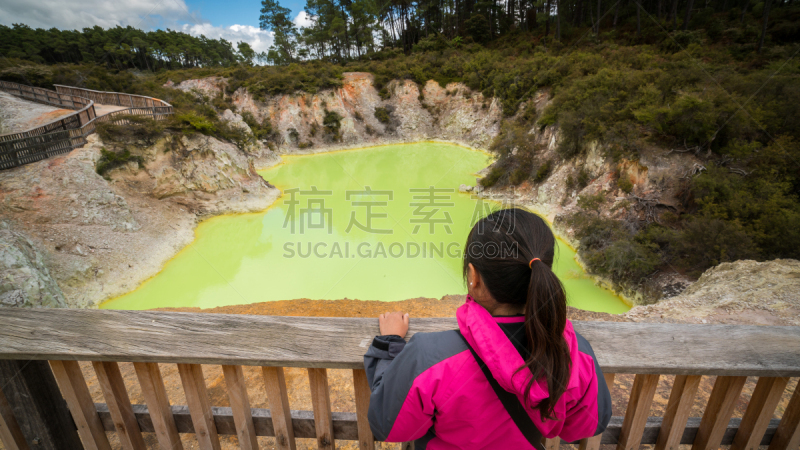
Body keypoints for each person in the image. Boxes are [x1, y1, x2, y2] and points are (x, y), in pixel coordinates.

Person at [363, 208, 612, 449]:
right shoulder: (576, 354)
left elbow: (388, 425)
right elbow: (585, 427)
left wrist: (390, 345)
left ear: (473, 277)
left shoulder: (429, 356)